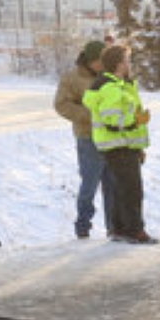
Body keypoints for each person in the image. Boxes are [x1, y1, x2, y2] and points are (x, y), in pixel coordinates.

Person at [82, 45, 155, 244]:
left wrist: (138, 146)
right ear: (118, 64)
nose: (129, 64)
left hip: (123, 145)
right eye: (126, 60)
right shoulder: (111, 88)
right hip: (119, 146)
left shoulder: (119, 85)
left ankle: (119, 229)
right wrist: (135, 120)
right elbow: (112, 119)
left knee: (121, 188)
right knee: (131, 189)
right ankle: (134, 230)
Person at [54, 40, 115, 239]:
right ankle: (83, 225)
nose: (102, 65)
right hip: (88, 138)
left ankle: (113, 227)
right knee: (89, 183)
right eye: (99, 61)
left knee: (112, 184)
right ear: (89, 60)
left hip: (111, 137)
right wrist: (90, 115)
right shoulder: (72, 78)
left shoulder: (109, 76)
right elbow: (61, 104)